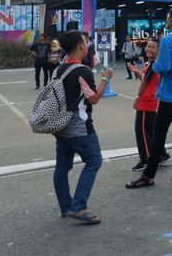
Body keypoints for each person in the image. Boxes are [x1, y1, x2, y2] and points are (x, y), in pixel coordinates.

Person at [126, 5, 172, 188]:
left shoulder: (167, 40)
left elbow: (163, 67)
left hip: (170, 94)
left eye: (167, 16)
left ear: (171, 19)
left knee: (158, 135)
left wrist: (152, 66)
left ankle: (148, 176)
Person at [52, 30, 113, 224]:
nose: (86, 47)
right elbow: (93, 98)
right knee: (94, 160)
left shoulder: (58, 69)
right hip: (80, 127)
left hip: (60, 126)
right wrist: (106, 79)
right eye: (85, 43)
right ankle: (78, 207)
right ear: (80, 46)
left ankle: (65, 207)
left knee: (62, 167)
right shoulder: (82, 71)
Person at [127, 39, 171, 172]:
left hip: (147, 102)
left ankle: (146, 159)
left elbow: (146, 82)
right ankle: (161, 154)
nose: (149, 49)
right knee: (151, 131)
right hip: (152, 101)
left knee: (142, 132)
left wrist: (137, 99)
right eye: (147, 46)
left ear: (159, 50)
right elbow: (146, 79)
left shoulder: (154, 64)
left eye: (152, 47)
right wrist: (137, 72)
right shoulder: (152, 63)